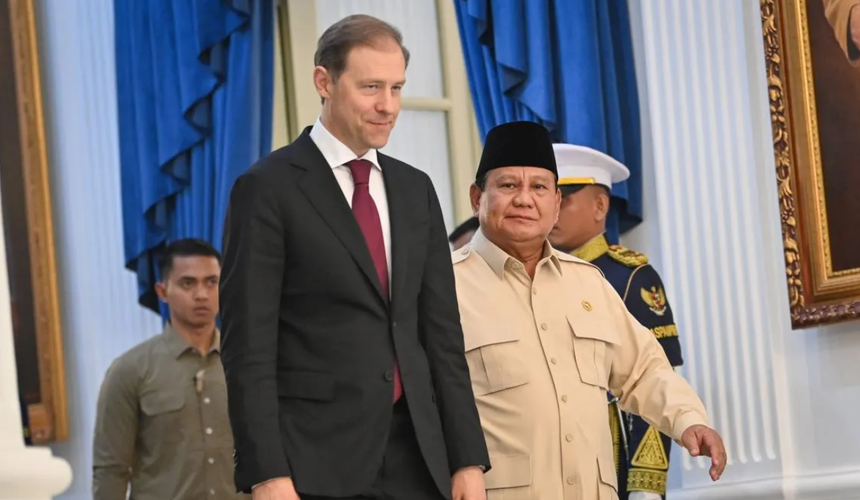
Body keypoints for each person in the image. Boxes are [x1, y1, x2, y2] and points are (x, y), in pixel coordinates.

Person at [219, 14, 489, 500]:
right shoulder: (266, 189)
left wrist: (467, 458)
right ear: (324, 82)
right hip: (313, 464)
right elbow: (248, 348)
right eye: (371, 87)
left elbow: (442, 337)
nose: (388, 106)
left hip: (420, 460)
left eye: (397, 88)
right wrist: (266, 473)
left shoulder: (416, 189)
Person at [452, 121, 727, 500]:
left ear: (556, 203)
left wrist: (688, 420)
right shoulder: (443, 285)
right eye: (509, 185)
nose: (524, 200)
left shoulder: (588, 283)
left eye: (539, 187)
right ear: (476, 198)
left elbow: (643, 370)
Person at [548, 144, 684, 500]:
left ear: (600, 205)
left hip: (610, 455)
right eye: (549, 198)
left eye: (565, 200)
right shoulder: (534, 277)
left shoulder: (629, 277)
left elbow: (656, 382)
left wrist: (645, 485)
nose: (552, 210)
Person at [92, 239, 243, 500]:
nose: (201, 294)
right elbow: (111, 470)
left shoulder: (245, 365)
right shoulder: (130, 371)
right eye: (188, 283)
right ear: (162, 291)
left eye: (211, 282)